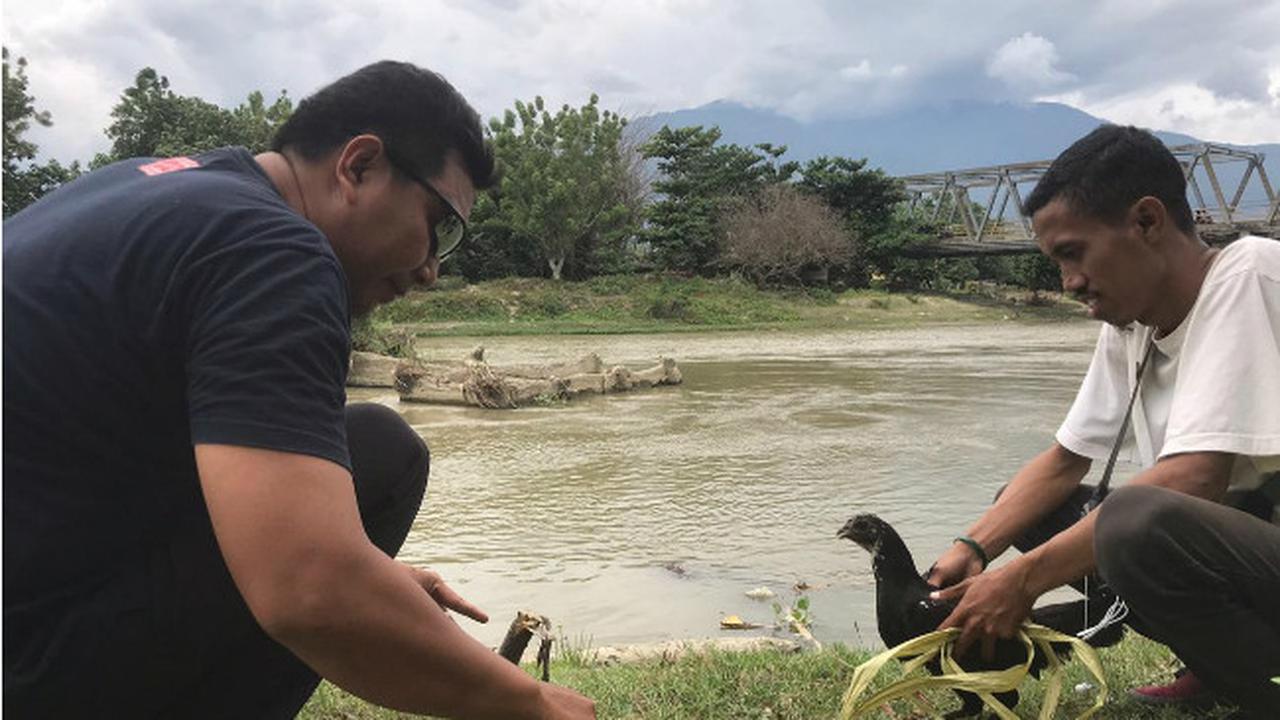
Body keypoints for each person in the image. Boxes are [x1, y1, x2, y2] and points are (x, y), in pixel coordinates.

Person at [3, 61, 595, 719]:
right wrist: (525, 703)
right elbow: (309, 591)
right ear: (359, 167)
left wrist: (372, 581)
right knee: (382, 455)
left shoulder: (162, 187)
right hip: (30, 666)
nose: (431, 269)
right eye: (440, 224)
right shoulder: (276, 252)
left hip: (31, 606)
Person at [922, 125, 1280, 717]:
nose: (1069, 283)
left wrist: (1021, 582)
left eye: (1073, 253)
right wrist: (973, 548)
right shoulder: (1133, 320)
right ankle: (1217, 662)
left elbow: (1196, 479)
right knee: (1040, 509)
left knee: (1138, 521)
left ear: (1145, 221)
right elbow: (1065, 462)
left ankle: (1259, 687)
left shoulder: (1251, 274)